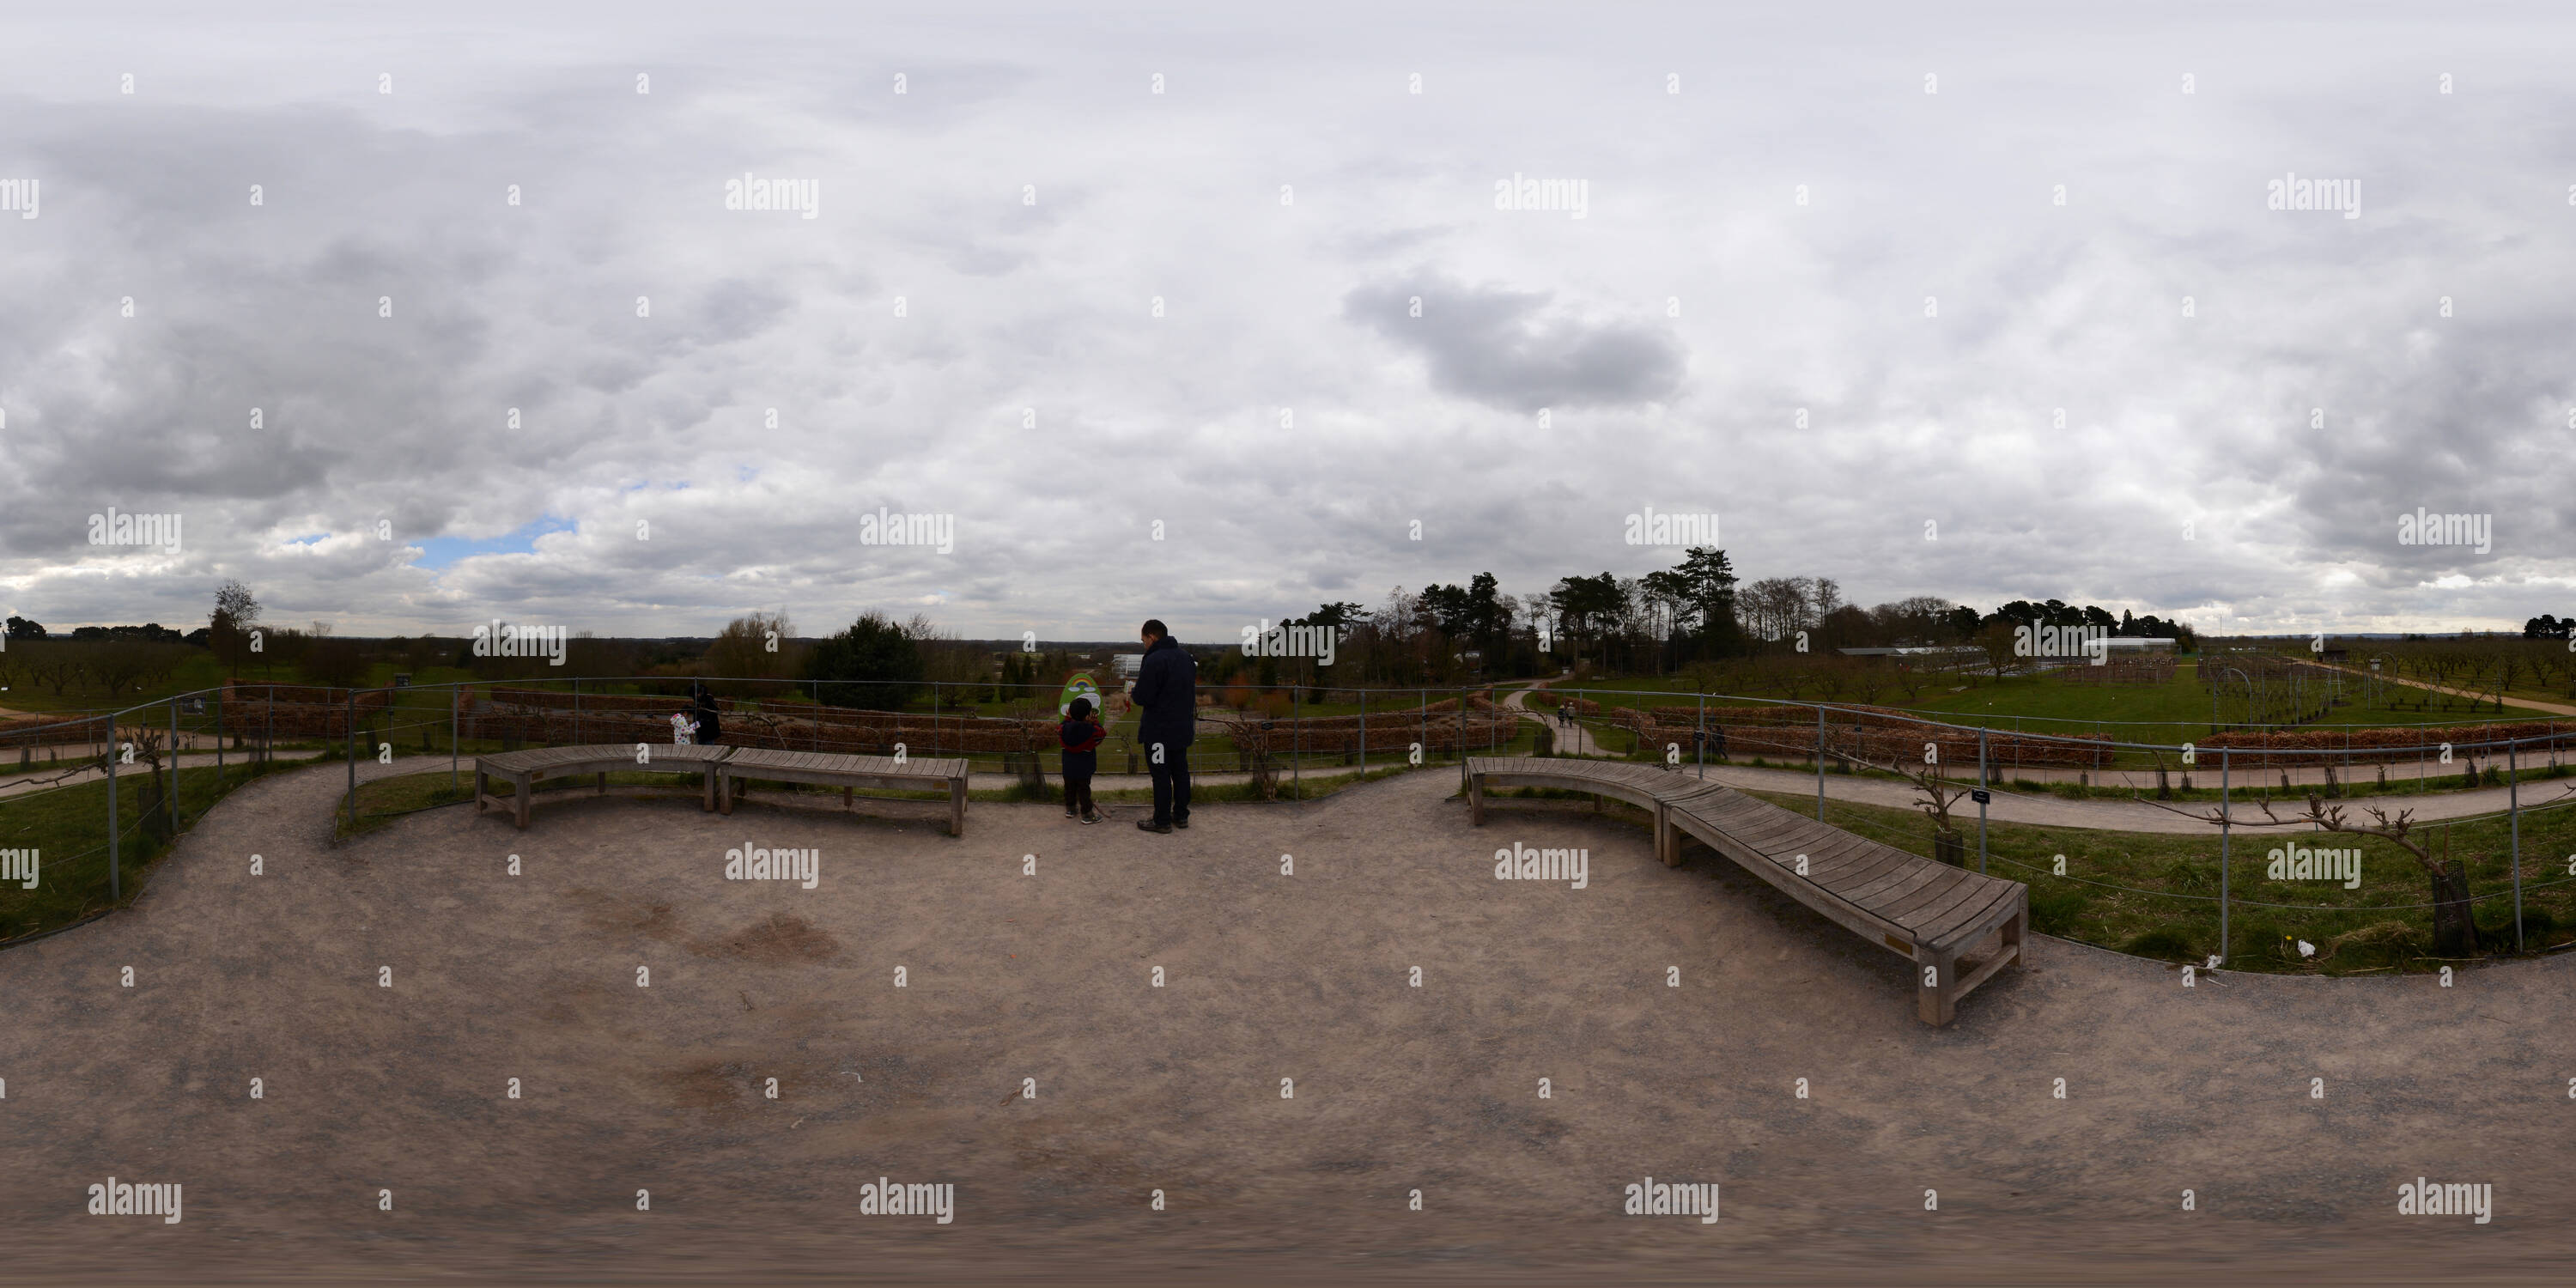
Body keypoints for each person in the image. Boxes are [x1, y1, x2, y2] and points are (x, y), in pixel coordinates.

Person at [1128, 618, 1195, 833]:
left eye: (1143, 641)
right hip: (1181, 729)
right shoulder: (1186, 658)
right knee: (1181, 773)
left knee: (1161, 775)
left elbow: (1143, 696)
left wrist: (1132, 692)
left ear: (1152, 637)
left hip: (1158, 733)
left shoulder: (1155, 659)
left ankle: (1162, 821)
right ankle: (1181, 816)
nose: (1144, 645)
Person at [1059, 696, 1105, 823]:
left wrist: (1067, 719)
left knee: (1069, 789)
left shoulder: (1064, 729)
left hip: (1068, 767)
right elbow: (1102, 734)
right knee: (1084, 791)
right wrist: (1095, 722)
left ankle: (1070, 809)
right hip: (1084, 768)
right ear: (1087, 716)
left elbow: (1060, 728)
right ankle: (1087, 814)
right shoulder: (1091, 731)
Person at [691, 680, 724, 746]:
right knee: (700, 747)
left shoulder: (708, 698)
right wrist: (694, 725)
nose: (697, 695)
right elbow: (696, 714)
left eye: (698, 694)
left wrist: (702, 721)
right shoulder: (697, 700)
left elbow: (714, 711)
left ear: (701, 693)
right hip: (700, 731)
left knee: (709, 747)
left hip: (709, 730)